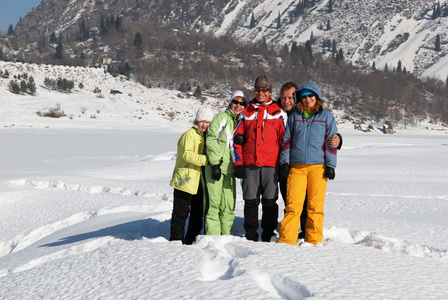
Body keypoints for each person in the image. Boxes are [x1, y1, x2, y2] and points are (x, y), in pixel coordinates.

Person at [277, 81, 343, 240]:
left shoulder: (326, 117)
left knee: (315, 207)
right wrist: (284, 162)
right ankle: (287, 240)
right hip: (297, 168)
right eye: (304, 97)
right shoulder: (295, 116)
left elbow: (331, 142)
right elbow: (286, 141)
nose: (307, 99)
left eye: (310, 95)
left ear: (317, 96)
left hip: (318, 168)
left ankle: (313, 241)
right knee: (293, 207)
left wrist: (331, 165)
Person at [233, 75, 287, 242]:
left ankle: (268, 234)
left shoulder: (278, 113)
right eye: (257, 90)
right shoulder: (246, 112)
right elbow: (236, 141)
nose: (260, 93)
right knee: (250, 201)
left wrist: (283, 163)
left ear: (269, 91)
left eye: (264, 90)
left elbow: (285, 141)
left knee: (270, 201)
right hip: (250, 164)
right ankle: (250, 235)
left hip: (271, 165)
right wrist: (238, 163)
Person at [204, 91, 249, 235]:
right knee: (214, 204)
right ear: (230, 103)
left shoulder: (243, 122)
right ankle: (213, 237)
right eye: (235, 102)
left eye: (242, 103)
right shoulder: (222, 118)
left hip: (231, 170)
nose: (238, 105)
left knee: (228, 205)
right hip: (216, 168)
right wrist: (215, 164)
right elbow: (212, 140)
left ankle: (225, 236)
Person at [169, 107, 215, 244]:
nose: (205, 124)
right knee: (180, 212)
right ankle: (176, 240)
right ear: (197, 121)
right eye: (202, 121)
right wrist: (207, 160)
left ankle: (191, 239)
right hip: (184, 179)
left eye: (208, 122)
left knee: (197, 212)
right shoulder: (190, 134)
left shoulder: (205, 136)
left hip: (198, 181)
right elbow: (186, 155)